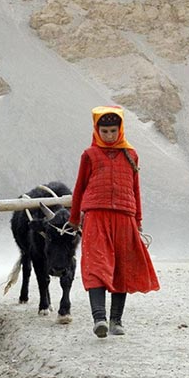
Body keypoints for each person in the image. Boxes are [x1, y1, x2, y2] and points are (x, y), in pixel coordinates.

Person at [69, 105, 160, 338]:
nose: (109, 136)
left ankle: (116, 320)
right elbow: (79, 188)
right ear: (97, 131)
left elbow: (135, 188)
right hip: (95, 215)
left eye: (112, 131)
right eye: (104, 131)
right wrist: (74, 218)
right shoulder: (89, 155)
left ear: (120, 130)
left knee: (122, 267)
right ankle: (99, 319)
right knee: (96, 266)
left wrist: (138, 219)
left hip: (124, 215)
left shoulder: (131, 154)